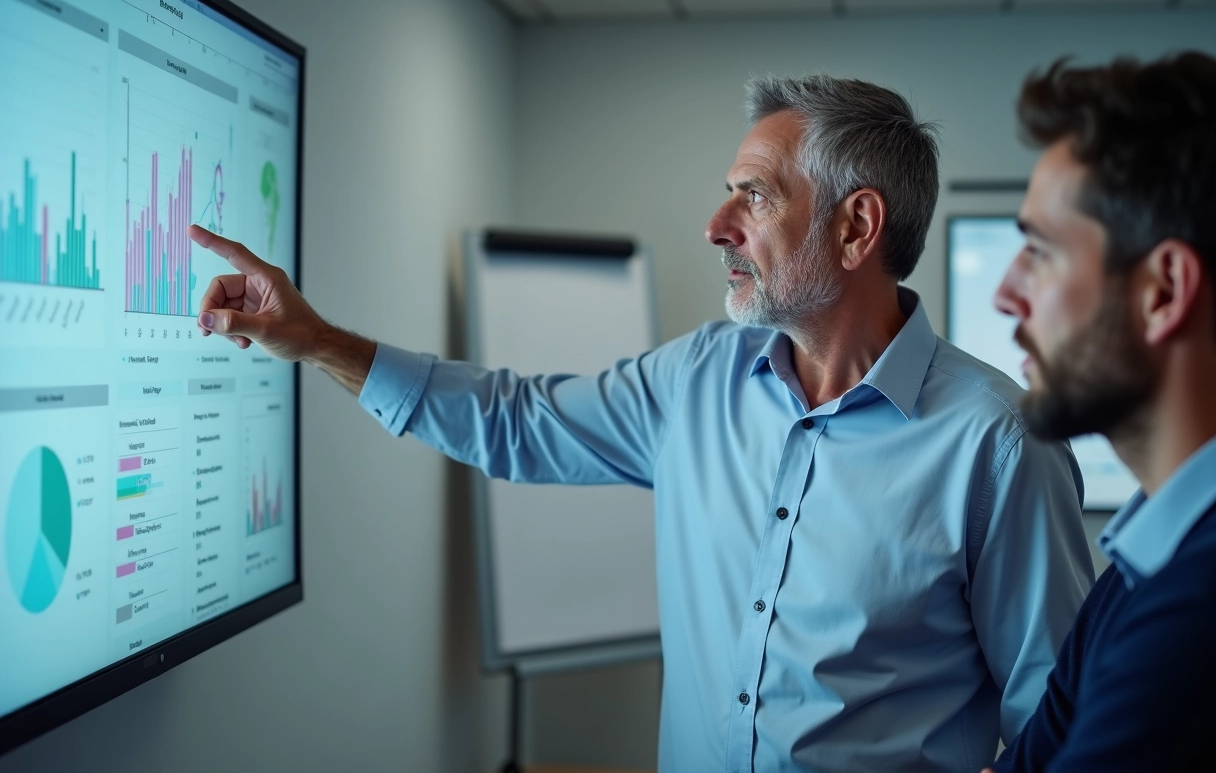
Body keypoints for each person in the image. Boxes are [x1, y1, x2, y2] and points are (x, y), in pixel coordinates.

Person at [188, 75, 1094, 772]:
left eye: (756, 196)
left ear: (857, 229)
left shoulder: (998, 444)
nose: (715, 225)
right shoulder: (697, 378)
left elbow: (1058, 715)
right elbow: (517, 421)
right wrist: (315, 342)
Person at [983, 52, 1216, 772]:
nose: (1005, 294)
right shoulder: (1135, 573)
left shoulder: (1196, 609)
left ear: (1162, 292)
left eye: (1039, 251)